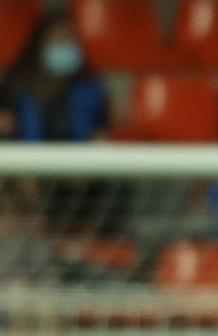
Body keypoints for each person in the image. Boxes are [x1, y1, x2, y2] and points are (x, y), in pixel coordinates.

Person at [0, 15, 126, 236]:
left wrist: (91, 159)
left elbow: (100, 134)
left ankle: (94, 238)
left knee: (121, 181)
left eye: (69, 41)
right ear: (40, 44)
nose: (64, 46)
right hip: (27, 177)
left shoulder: (92, 88)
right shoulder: (15, 86)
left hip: (78, 179)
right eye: (58, 40)